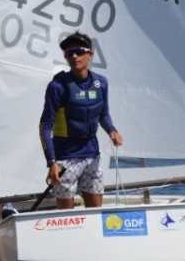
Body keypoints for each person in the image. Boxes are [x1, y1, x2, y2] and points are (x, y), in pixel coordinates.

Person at [38, 32, 124, 209]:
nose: (74, 56)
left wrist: (112, 131)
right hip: (65, 158)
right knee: (66, 218)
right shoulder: (58, 86)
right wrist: (51, 162)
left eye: (78, 52)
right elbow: (45, 126)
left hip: (92, 156)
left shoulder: (101, 83)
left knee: (96, 213)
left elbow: (103, 114)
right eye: (69, 54)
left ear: (90, 54)